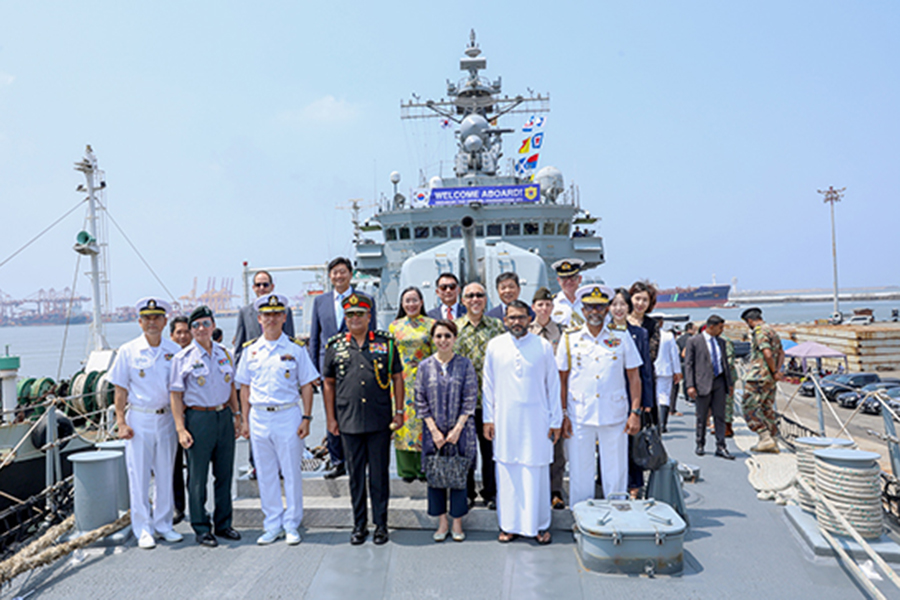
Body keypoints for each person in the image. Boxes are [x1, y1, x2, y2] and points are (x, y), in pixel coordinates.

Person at [235, 293, 319, 545]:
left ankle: (292, 523)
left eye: (276, 314)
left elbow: (306, 385)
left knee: (291, 472)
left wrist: (306, 418)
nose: (271, 319)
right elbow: (244, 388)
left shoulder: (295, 348)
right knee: (265, 473)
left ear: (284, 317)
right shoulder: (250, 351)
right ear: (259, 318)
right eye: (266, 315)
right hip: (260, 416)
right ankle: (272, 523)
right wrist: (246, 421)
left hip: (288, 415)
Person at [322, 292, 403, 546]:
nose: (355, 318)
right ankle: (359, 525)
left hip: (379, 420)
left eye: (360, 314)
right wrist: (330, 419)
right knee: (356, 477)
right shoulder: (335, 346)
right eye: (350, 314)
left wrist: (399, 412)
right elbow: (328, 384)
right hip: (349, 421)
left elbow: (397, 378)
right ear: (345, 318)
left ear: (369, 316)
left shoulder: (386, 343)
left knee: (379, 476)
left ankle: (381, 524)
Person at [483, 300, 561, 544]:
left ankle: (538, 525)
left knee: (535, 470)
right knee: (508, 471)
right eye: (512, 318)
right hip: (505, 421)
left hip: (537, 420)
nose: (516, 322)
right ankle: (509, 525)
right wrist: (488, 418)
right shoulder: (495, 346)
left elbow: (553, 386)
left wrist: (556, 420)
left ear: (529, 318)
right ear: (505, 320)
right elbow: (488, 386)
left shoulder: (544, 346)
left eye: (521, 317)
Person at [108, 297, 183, 549]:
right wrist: (121, 422)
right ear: (139, 322)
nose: (152, 322)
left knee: (165, 474)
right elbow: (120, 390)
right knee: (138, 475)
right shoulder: (127, 351)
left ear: (164, 321)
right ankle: (143, 529)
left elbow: (179, 390)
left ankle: (163, 525)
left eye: (157, 318)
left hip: (166, 418)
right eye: (147, 318)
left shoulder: (174, 351)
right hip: (139, 418)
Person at [558, 286, 643, 505]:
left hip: (614, 415)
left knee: (616, 471)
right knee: (580, 471)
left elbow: (634, 377)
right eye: (589, 307)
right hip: (579, 415)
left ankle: (617, 514)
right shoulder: (569, 338)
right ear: (583, 310)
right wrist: (563, 414)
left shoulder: (621, 336)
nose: (594, 311)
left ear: (606, 309)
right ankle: (581, 516)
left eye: (599, 307)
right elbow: (562, 380)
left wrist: (635, 412)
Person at [169, 306, 242, 547]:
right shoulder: (182, 358)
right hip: (198, 419)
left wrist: (238, 415)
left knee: (224, 473)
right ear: (191, 330)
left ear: (213, 326)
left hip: (223, 416)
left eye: (205, 324)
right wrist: (181, 428)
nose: (201, 329)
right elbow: (176, 396)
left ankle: (223, 523)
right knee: (198, 477)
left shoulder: (224, 353)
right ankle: (201, 526)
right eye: (196, 325)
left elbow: (231, 386)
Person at [309, 257, 377, 479]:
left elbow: (372, 333)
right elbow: (315, 337)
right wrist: (313, 371)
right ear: (330, 276)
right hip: (328, 365)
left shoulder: (366, 299)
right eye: (334, 273)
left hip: (357, 363)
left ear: (350, 274)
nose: (339, 276)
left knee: (359, 409)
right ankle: (338, 460)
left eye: (343, 272)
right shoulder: (320, 302)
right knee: (332, 411)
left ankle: (358, 459)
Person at [415, 320, 477, 543]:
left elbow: (470, 398)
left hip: (460, 430)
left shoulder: (465, 365)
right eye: (439, 336)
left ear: (454, 338)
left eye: (447, 336)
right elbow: (420, 399)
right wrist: (434, 430)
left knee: (459, 475)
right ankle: (442, 521)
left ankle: (457, 521)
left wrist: (458, 428)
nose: (443, 340)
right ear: (433, 339)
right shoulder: (424, 367)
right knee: (436, 475)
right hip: (434, 433)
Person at [454, 282, 506, 509]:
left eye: (480, 295)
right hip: (463, 402)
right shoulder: (454, 328)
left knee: (490, 451)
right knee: (465, 451)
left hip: (490, 402)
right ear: (463, 301)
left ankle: (491, 492)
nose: (475, 299)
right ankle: (467, 493)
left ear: (486, 299)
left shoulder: (497, 327)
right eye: (470, 295)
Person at [608, 288, 655, 496]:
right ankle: (606, 482)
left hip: (632, 395)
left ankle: (634, 485)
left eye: (622, 304)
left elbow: (645, 370)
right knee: (608, 443)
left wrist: (646, 401)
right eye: (614, 304)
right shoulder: (603, 332)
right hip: (609, 396)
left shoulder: (639, 333)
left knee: (632, 442)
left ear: (628, 308)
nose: (618, 309)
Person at [388, 287, 435, 481]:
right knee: (403, 423)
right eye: (407, 301)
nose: (411, 304)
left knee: (424, 421)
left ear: (422, 302)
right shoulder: (394, 326)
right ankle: (406, 470)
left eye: (414, 300)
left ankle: (424, 467)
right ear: (402, 304)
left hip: (426, 378)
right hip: (401, 379)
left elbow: (436, 351)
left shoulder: (431, 324)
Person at [530, 286, 565, 509]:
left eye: (548, 305)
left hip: (554, 393)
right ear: (533, 307)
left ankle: (555, 490)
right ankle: (536, 488)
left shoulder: (561, 331)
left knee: (556, 446)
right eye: (540, 304)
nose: (544, 308)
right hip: (532, 395)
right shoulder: (526, 331)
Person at [684, 315, 735, 459]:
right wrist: (690, 385)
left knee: (720, 416)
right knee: (702, 416)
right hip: (702, 383)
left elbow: (725, 364)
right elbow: (689, 364)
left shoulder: (722, 342)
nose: (722, 330)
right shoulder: (694, 341)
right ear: (711, 327)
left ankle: (721, 446)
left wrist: (729, 384)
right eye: (720, 327)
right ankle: (700, 443)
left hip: (719, 382)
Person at [741, 307, 785, 453]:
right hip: (770, 378)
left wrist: (772, 370)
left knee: (749, 407)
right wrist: (777, 372)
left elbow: (767, 353)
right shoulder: (773, 331)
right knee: (767, 409)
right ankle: (773, 441)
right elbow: (781, 353)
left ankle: (765, 437)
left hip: (758, 376)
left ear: (749, 321)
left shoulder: (759, 331)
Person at [234, 270, 296, 364]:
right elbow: (239, 347)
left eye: (265, 285)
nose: (262, 288)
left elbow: (290, 340)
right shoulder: (245, 312)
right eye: (258, 285)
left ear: (272, 286)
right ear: (253, 288)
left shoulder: (285, 311)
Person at [168, 315, 191, 525]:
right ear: (171, 336)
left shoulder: (196, 355)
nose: (183, 336)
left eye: (186, 331)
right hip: (173, 418)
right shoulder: (168, 356)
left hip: (193, 416)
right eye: (179, 332)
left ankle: (197, 507)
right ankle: (177, 506)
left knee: (194, 466)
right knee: (174, 465)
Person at [655, 325, 682, 433]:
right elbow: (674, 354)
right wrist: (677, 371)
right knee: (664, 396)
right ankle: (662, 424)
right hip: (665, 369)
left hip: (650, 369)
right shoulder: (668, 336)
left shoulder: (646, 333)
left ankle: (653, 423)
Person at [550, 258, 585, 328]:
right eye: (564, 278)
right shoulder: (552, 303)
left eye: (573, 278)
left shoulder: (589, 302)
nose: (569, 281)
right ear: (559, 281)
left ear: (580, 279)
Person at [674, 322, 696, 412]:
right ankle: (690, 398)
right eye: (694, 329)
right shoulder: (692, 339)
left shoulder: (680, 339)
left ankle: (686, 397)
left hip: (680, 362)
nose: (695, 331)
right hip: (688, 362)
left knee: (683, 381)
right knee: (689, 380)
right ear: (689, 329)